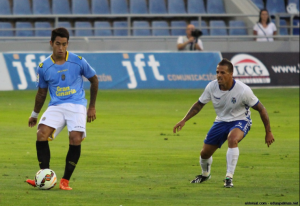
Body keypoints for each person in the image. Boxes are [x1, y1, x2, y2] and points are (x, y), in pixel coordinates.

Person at [173, 58, 275, 188]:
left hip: (241, 120)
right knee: (204, 154)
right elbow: (199, 104)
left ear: (231, 74)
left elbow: (261, 109)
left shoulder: (243, 91)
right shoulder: (212, 86)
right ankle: (205, 174)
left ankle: (228, 177)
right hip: (221, 121)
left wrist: (268, 132)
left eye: (222, 73)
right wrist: (184, 120)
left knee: (232, 139)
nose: (219, 76)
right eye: (217, 72)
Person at [26, 27, 99, 190]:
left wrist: (92, 107)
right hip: (56, 105)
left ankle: (65, 181)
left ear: (68, 44)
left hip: (77, 104)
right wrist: (34, 114)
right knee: (41, 134)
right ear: (51, 43)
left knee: (75, 138)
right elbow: (41, 93)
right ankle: (43, 177)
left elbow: (94, 80)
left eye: (64, 44)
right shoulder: (43, 66)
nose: (61, 48)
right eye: (58, 44)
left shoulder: (78, 60)